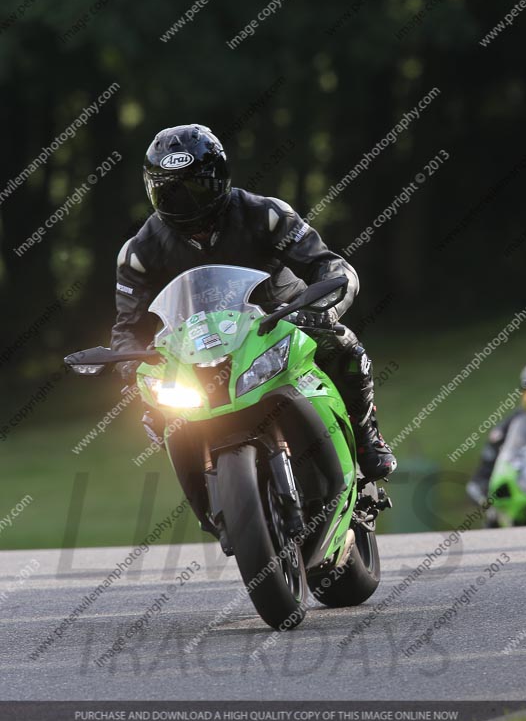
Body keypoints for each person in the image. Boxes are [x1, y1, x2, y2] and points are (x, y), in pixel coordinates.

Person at [111, 124, 397, 482]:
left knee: (346, 347)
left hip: (284, 323)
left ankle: (367, 438)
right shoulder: (139, 252)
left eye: (196, 187)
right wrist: (131, 369)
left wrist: (323, 308)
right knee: (155, 412)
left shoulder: (267, 214)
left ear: (221, 178)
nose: (187, 203)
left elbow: (328, 264)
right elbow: (127, 329)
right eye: (171, 192)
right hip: (197, 352)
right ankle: (212, 493)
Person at [467, 358, 526, 503]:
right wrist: (482, 487)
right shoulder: (513, 423)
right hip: (520, 494)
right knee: (494, 516)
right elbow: (481, 477)